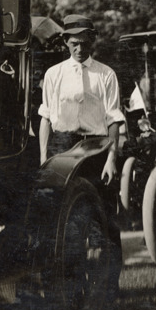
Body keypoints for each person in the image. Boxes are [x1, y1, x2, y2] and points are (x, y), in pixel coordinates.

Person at [38, 14, 125, 183]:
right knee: (60, 195)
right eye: (74, 44)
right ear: (66, 42)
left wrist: (111, 159)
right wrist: (43, 158)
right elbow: (45, 117)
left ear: (92, 41)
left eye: (84, 44)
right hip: (61, 149)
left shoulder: (106, 74)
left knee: (92, 193)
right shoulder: (53, 74)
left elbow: (113, 120)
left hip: (95, 149)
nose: (80, 49)